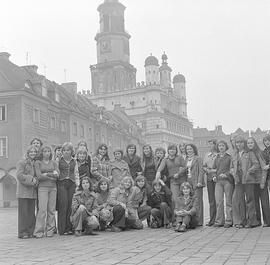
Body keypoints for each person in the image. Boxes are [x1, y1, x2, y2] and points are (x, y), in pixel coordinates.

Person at [230, 136, 259, 228]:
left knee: (250, 200)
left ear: (244, 143)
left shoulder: (249, 153)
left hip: (248, 180)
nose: (239, 144)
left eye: (241, 142)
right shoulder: (234, 154)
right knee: (239, 201)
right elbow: (231, 167)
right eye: (237, 142)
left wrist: (249, 172)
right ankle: (242, 221)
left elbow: (256, 164)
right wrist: (233, 173)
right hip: (238, 181)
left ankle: (252, 222)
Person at [34, 146, 59, 238]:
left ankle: (50, 230)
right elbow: (39, 176)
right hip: (42, 188)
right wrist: (51, 174)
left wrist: (46, 174)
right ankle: (39, 231)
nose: (47, 153)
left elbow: (57, 176)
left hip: (53, 188)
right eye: (45, 151)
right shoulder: (38, 163)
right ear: (42, 153)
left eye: (49, 151)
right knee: (42, 210)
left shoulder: (54, 163)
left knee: (51, 210)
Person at [247, 137, 270, 227]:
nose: (250, 144)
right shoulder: (248, 153)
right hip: (253, 182)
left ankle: (267, 221)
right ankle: (258, 221)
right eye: (248, 143)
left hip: (261, 181)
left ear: (255, 143)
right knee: (255, 202)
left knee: (264, 202)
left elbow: (264, 169)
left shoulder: (259, 153)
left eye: (252, 142)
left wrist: (263, 182)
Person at [16, 145, 38, 239]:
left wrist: (36, 180)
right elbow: (19, 175)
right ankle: (22, 232)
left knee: (31, 213)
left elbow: (37, 175)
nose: (33, 153)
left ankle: (30, 231)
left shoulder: (35, 163)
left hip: (32, 192)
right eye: (31, 152)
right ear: (27, 153)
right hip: (23, 192)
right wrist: (31, 179)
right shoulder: (22, 162)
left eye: (34, 152)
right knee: (23, 213)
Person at [57, 142, 79, 235]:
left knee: (70, 205)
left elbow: (76, 173)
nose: (66, 152)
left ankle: (69, 228)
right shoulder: (58, 160)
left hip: (71, 183)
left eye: (68, 150)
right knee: (63, 205)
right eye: (64, 150)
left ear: (71, 151)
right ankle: (62, 229)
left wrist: (78, 184)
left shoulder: (74, 161)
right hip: (62, 183)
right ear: (62, 151)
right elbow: (56, 171)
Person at [211, 140, 234, 228]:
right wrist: (213, 176)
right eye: (219, 146)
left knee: (228, 201)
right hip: (218, 182)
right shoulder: (216, 158)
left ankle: (229, 221)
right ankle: (219, 221)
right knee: (219, 201)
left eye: (223, 146)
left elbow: (231, 168)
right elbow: (213, 169)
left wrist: (226, 174)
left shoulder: (229, 157)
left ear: (226, 147)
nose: (221, 147)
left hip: (227, 181)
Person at [183, 143, 204, 226]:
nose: (189, 150)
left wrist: (199, 181)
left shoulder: (198, 158)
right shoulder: (186, 159)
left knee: (198, 201)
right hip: (188, 181)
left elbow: (201, 171)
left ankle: (199, 221)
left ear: (194, 149)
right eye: (187, 149)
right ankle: (192, 220)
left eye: (190, 149)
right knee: (190, 201)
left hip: (196, 181)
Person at [203, 139, 218, 226]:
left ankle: (218, 219)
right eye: (209, 144)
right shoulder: (207, 155)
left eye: (211, 144)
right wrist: (206, 170)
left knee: (218, 200)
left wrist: (212, 171)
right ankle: (212, 219)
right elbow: (204, 166)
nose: (210, 146)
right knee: (211, 200)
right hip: (209, 179)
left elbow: (220, 167)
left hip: (217, 179)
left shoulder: (218, 155)